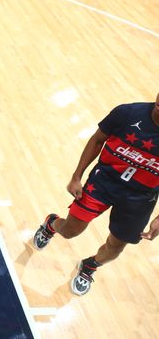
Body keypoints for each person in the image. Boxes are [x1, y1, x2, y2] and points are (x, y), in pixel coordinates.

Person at [32, 92, 159, 296]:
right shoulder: (127, 113)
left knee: (116, 248)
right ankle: (51, 223)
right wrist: (76, 176)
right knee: (69, 231)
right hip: (104, 182)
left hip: (140, 197)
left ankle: (91, 265)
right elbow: (97, 140)